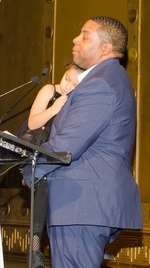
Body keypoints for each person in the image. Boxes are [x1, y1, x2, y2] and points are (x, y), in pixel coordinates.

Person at [23, 16, 142, 268]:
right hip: (83, 204)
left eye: (85, 36)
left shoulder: (100, 84)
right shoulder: (109, 78)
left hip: (81, 204)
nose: (75, 39)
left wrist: (30, 169)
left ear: (106, 48)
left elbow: (67, 144)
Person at [17, 62, 82, 267]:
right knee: (42, 184)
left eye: (74, 84)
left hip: (56, 154)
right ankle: (34, 249)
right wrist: (54, 108)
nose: (67, 86)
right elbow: (32, 123)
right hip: (35, 147)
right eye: (66, 78)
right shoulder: (49, 90)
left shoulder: (78, 100)